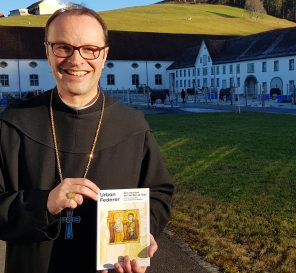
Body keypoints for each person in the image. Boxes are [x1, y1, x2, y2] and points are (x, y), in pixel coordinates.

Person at [0, 4, 173, 273]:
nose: (76, 60)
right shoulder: (13, 123)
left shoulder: (133, 124)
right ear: (47, 52)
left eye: (90, 49)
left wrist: (142, 233)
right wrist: (42, 204)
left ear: (104, 55)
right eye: (63, 47)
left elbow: (159, 193)